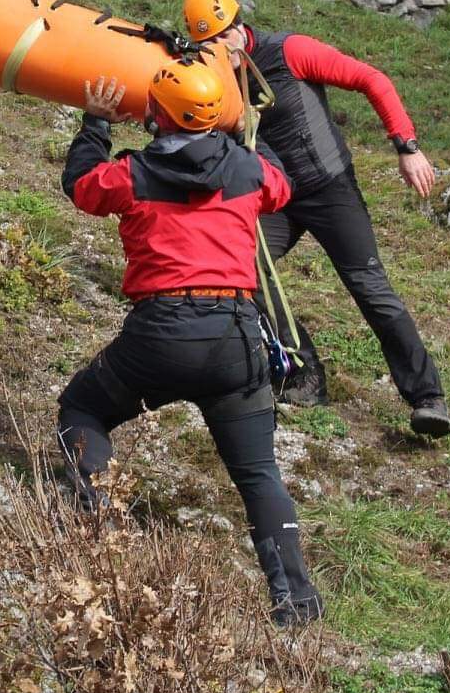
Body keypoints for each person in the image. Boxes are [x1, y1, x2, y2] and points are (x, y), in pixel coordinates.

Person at [56, 60, 323, 626]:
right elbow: (281, 186)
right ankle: (296, 604)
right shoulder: (246, 170)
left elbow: (81, 186)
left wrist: (96, 123)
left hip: (161, 335)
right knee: (258, 473)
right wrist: (246, 127)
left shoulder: (132, 173)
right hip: (234, 337)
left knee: (81, 407)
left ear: (157, 112)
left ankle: (104, 533)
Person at [183, 0, 450, 438]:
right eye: (206, 43)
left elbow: (372, 80)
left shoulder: (289, 51)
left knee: (370, 288)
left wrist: (406, 147)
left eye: (222, 36)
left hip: (331, 189)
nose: (218, 49)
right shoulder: (210, 81)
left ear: (238, 27)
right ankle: (303, 373)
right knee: (241, 266)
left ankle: (428, 398)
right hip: (278, 199)